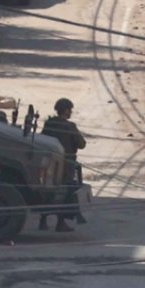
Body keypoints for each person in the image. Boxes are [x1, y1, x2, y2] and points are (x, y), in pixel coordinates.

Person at [40, 98, 87, 231]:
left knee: (48, 193)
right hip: (66, 167)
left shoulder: (49, 124)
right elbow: (81, 144)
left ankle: (43, 221)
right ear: (66, 110)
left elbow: (42, 139)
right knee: (65, 195)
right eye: (70, 110)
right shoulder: (69, 126)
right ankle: (60, 223)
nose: (70, 112)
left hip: (50, 166)